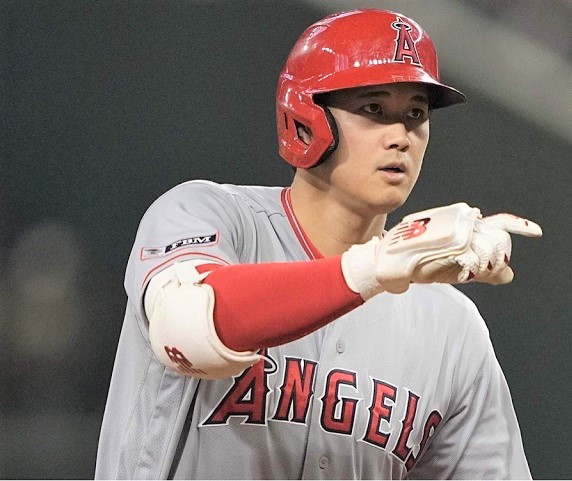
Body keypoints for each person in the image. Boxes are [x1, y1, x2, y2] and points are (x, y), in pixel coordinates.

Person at [95, 8, 542, 480]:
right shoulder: (206, 216)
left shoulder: (452, 327)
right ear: (306, 118)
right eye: (374, 109)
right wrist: (379, 265)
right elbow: (187, 330)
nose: (400, 137)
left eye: (416, 114)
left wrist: (389, 262)